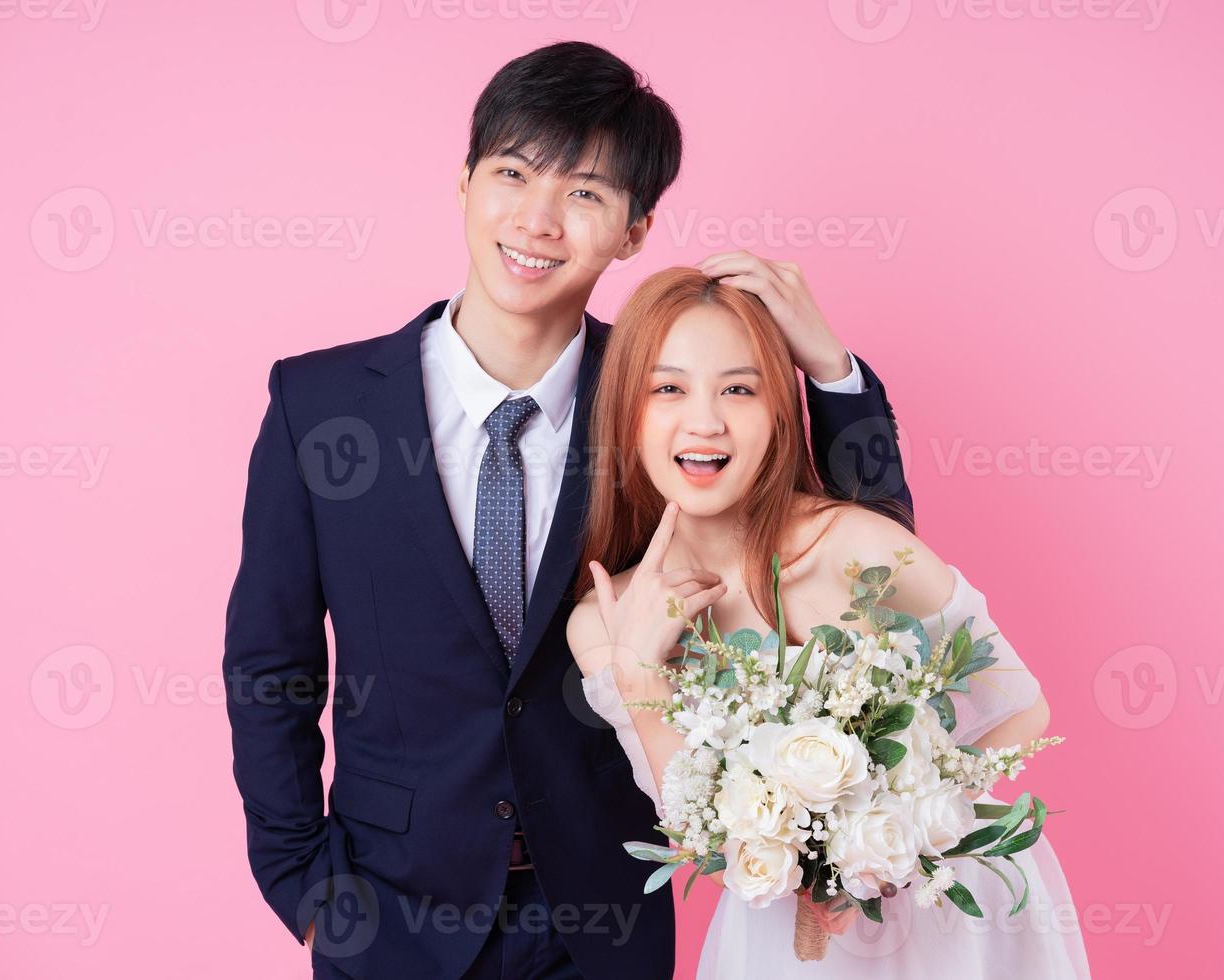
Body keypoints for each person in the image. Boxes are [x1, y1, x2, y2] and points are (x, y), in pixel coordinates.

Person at [223, 42, 913, 980]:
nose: (538, 219)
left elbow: (868, 574)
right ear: (463, 182)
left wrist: (829, 371)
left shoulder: (661, 404)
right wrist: (303, 888)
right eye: (512, 173)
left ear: (634, 231)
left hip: (601, 918)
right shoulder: (323, 405)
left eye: (586, 192)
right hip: (386, 917)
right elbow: (271, 663)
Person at [566, 267, 1091, 977]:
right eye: (668, 389)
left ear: (781, 412)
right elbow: (708, 847)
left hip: (957, 917)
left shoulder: (859, 548)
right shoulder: (604, 621)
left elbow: (1023, 711)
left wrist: (881, 848)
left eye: (739, 389)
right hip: (788, 942)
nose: (705, 421)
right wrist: (637, 672)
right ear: (625, 412)